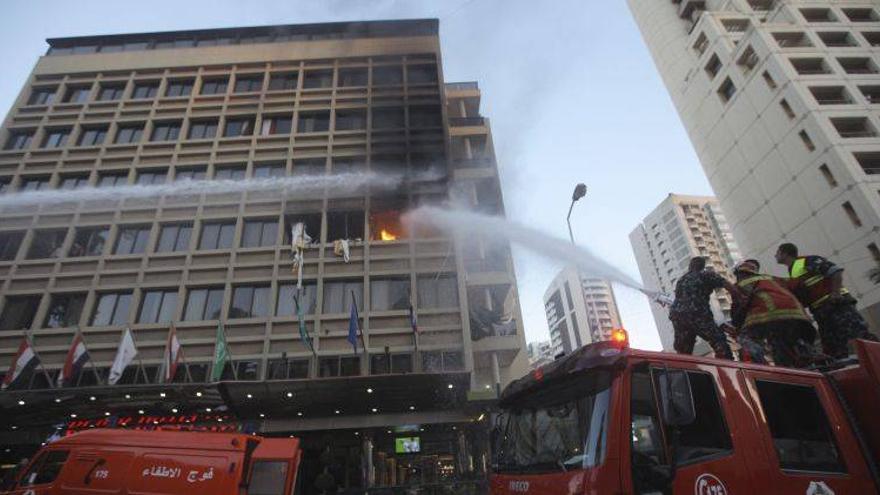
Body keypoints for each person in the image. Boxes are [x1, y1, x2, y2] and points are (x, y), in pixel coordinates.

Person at [775, 243, 877, 359]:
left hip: (837, 306)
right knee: (833, 346)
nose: (775, 256)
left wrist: (836, 293)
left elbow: (835, 271)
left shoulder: (807, 261)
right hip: (821, 311)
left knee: (859, 334)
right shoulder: (793, 270)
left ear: (784, 253)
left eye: (777, 253)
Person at [731, 259, 817, 368]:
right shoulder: (774, 279)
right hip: (798, 316)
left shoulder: (740, 284)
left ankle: (763, 367)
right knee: (787, 342)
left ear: (739, 273)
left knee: (744, 338)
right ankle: (808, 357)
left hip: (770, 317)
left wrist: (736, 324)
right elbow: (799, 286)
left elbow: (739, 310)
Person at [669, 256, 736, 359]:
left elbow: (679, 296)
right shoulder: (706, 275)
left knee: (683, 349)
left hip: (678, 316)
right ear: (702, 266)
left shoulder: (681, 280)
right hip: (697, 313)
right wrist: (740, 297)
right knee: (718, 340)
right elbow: (726, 284)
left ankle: (683, 368)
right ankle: (727, 366)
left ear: (690, 266)